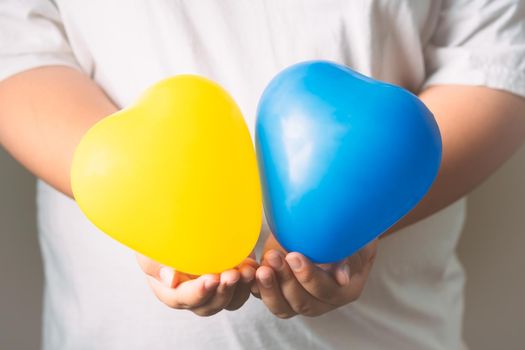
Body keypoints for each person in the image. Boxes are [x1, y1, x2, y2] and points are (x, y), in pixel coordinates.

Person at [1, 1, 524, 349]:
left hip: (389, 333)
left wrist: (358, 217)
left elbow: (496, 64)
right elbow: (18, 47)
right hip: (115, 330)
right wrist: (139, 198)